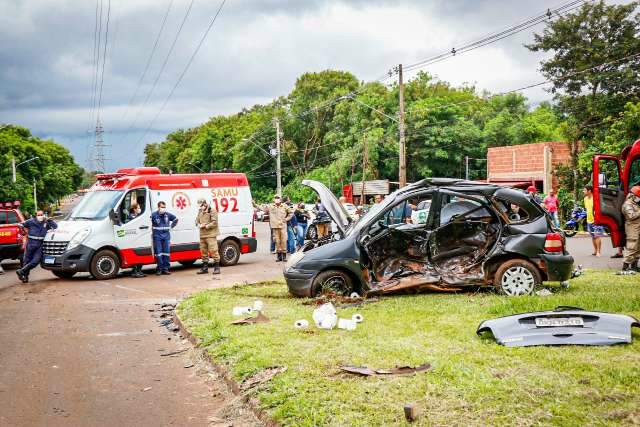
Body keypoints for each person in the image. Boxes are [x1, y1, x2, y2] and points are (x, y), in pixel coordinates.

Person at [16, 210, 57, 283]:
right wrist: (23, 231)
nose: (40, 216)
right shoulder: (31, 221)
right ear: (36, 215)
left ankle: (21, 271)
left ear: (44, 215)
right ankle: (25, 276)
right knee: (26, 260)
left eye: (41, 215)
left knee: (35, 261)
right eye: (39, 215)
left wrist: (49, 220)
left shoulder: (46, 222)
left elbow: (55, 226)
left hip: (40, 244)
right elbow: (21, 225)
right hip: (31, 243)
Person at [151, 201, 178, 275]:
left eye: (164, 207)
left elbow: (176, 219)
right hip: (157, 236)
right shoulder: (153, 215)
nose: (163, 208)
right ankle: (159, 268)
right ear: (158, 207)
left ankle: (165, 268)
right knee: (158, 253)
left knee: (166, 253)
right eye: (162, 207)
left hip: (166, 236)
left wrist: (171, 227)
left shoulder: (167, 214)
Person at [195, 198, 220, 275]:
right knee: (203, 251)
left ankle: (217, 268)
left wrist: (205, 226)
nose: (200, 207)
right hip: (202, 235)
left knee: (213, 251)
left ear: (205, 204)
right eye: (199, 206)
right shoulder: (200, 211)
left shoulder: (212, 210)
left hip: (211, 235)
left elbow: (214, 222)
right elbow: (196, 220)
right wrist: (198, 224)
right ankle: (205, 268)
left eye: (201, 205)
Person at [268, 195, 293, 262]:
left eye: (278, 198)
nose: (277, 199)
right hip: (275, 227)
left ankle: (284, 257)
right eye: (275, 198)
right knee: (277, 241)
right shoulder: (270, 206)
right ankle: (279, 257)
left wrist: (287, 219)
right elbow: (261, 208)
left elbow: (291, 212)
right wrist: (254, 204)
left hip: (283, 226)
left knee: (284, 241)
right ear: (273, 199)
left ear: (280, 199)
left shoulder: (284, 206)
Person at [621, 186, 640, 272]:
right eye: (638, 197)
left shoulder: (635, 204)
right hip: (632, 228)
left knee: (637, 247)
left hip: (637, 227)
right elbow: (631, 216)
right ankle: (625, 266)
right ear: (633, 196)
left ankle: (634, 266)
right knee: (631, 247)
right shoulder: (628, 204)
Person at [584, 185, 603, 257]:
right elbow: (587, 209)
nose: (583, 191)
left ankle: (598, 251)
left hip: (596, 221)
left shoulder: (595, 198)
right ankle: (595, 250)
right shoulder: (585, 199)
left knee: (597, 236)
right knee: (593, 236)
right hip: (589, 220)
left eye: (585, 190)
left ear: (589, 191)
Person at [128, 203, 145, 278]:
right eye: (138, 208)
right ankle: (134, 271)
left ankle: (139, 270)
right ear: (134, 209)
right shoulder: (131, 217)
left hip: (140, 237)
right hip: (134, 238)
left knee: (141, 254)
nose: (139, 209)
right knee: (135, 255)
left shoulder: (139, 216)